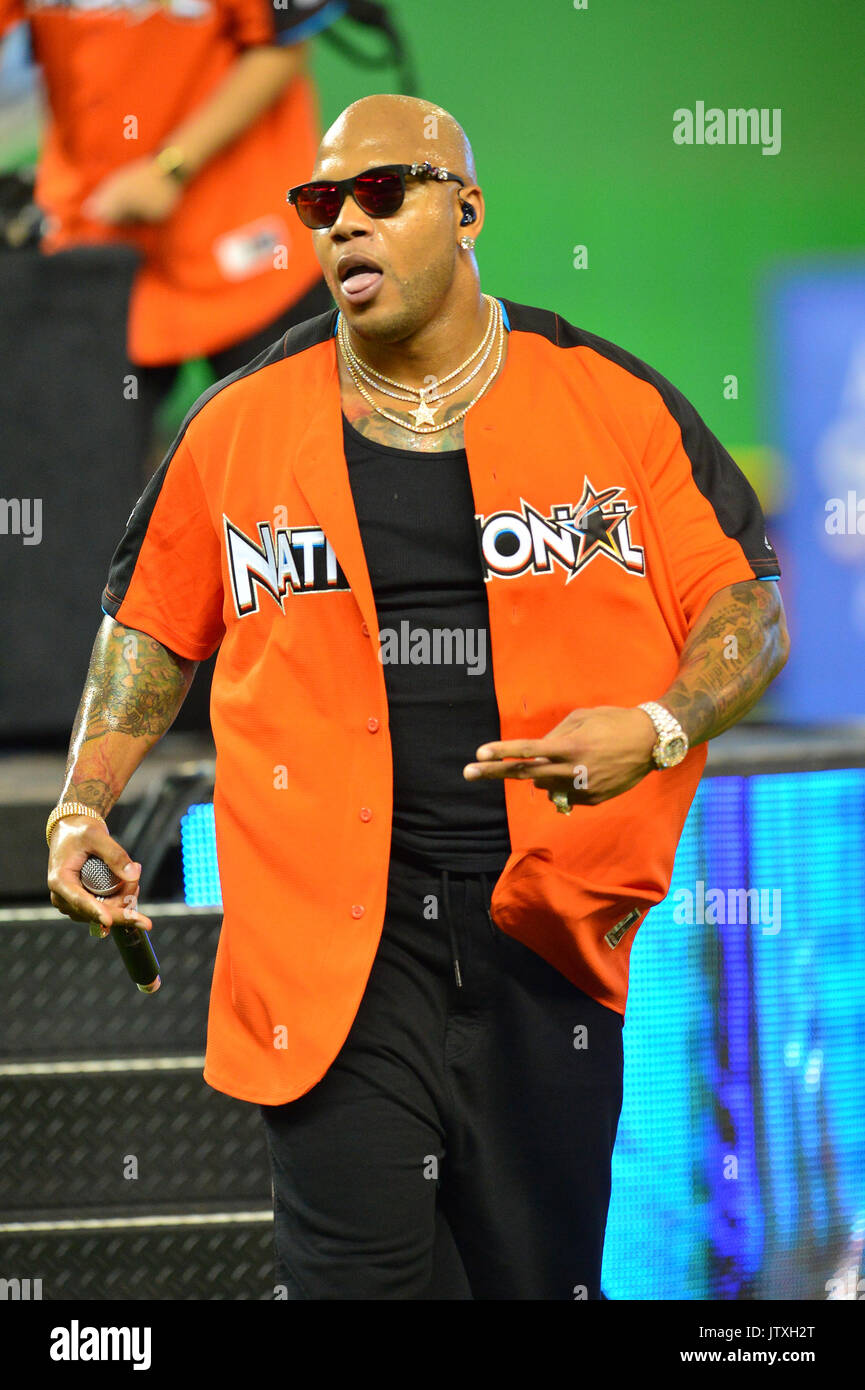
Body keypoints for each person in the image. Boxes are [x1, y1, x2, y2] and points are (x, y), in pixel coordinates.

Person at [45, 93, 790, 1300]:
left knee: (533, 1280)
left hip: (540, 939)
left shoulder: (612, 400)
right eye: (320, 204)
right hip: (332, 947)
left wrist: (657, 729)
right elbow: (145, 630)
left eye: (382, 193)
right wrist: (84, 803)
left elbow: (747, 612)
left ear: (468, 210)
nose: (344, 225)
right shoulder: (235, 426)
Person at [0, 0, 346, 456]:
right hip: (93, 236)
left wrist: (170, 167)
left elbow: (282, 48)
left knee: (281, 466)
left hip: (251, 241)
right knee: (85, 477)